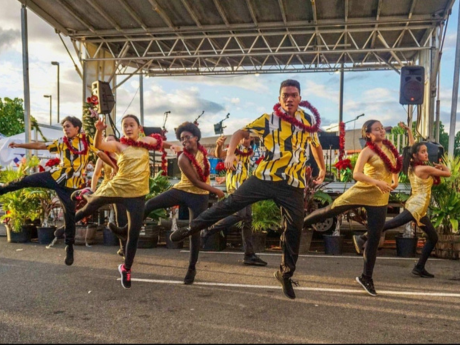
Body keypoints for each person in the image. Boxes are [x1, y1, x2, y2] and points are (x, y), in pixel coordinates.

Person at [169, 79, 326, 299]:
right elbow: (239, 134)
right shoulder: (269, 120)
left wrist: (322, 166)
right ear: (279, 98)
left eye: (293, 95)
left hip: (293, 185)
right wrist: (231, 152)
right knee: (231, 203)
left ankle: (285, 274)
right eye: (285, 95)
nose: (289, 99)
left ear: (300, 98)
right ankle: (190, 229)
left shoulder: (307, 120)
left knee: (294, 229)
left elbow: (315, 144)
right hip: (265, 177)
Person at [111, 122, 225, 285]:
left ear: (196, 137)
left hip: (200, 196)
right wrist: (217, 191)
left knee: (194, 232)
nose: (184, 141)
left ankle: (191, 269)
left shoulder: (203, 151)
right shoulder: (182, 158)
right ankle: (125, 230)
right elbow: (194, 180)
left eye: (187, 137)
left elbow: (218, 155)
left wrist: (220, 147)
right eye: (181, 138)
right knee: (149, 205)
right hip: (183, 190)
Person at [304, 120, 401, 297]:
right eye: (376, 129)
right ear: (368, 135)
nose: (381, 131)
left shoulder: (390, 148)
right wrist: (377, 181)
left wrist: (395, 181)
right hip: (362, 191)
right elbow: (357, 174)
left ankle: (366, 277)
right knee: (330, 211)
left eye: (382, 128)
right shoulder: (367, 150)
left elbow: (394, 167)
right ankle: (299, 224)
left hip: (380, 197)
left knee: (374, 237)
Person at [71, 114, 170, 288]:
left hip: (137, 194)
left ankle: (126, 268)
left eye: (131, 125)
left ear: (139, 128)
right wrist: (99, 131)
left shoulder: (146, 141)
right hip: (118, 187)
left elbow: (161, 143)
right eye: (125, 126)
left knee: (133, 235)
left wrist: (175, 147)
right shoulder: (119, 144)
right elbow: (99, 145)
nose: (128, 128)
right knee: (92, 205)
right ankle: (69, 222)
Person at [1, 116, 115, 265]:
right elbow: (40, 146)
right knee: (26, 180)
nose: (65, 129)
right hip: (55, 177)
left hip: (72, 187)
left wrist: (114, 166)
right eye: (64, 127)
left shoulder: (86, 141)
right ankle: (2, 189)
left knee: (69, 216)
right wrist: (20, 145)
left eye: (68, 126)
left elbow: (100, 154)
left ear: (77, 128)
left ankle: (69, 247)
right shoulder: (61, 142)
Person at [353, 122, 451, 278]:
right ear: (415, 156)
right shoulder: (423, 168)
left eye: (426, 151)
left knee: (433, 237)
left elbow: (413, 148)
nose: (426, 154)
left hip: (420, 209)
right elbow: (448, 173)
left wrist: (409, 132)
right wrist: (441, 167)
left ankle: (419, 267)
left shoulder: (412, 165)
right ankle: (363, 236)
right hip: (416, 207)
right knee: (391, 224)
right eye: (424, 152)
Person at [200, 135, 267, 266]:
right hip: (236, 188)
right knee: (240, 214)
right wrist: (219, 145)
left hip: (246, 188)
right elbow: (220, 154)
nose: (245, 140)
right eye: (243, 138)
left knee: (247, 219)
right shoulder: (233, 150)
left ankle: (249, 254)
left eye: (247, 139)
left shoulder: (250, 152)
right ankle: (208, 230)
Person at [91, 134, 127, 259]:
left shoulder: (122, 155)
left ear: (116, 142)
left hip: (120, 189)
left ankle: (124, 248)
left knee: (121, 217)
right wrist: (92, 190)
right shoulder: (102, 157)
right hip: (107, 188)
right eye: (106, 141)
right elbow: (96, 175)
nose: (109, 143)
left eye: (111, 141)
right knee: (89, 205)